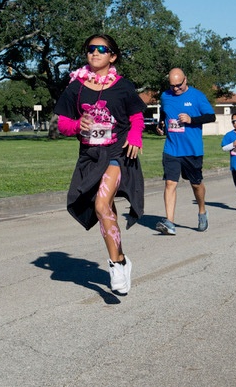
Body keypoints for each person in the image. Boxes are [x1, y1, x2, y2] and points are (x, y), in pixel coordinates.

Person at [54, 34, 145, 295]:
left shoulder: (123, 86)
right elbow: (62, 124)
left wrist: (136, 138)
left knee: (101, 204)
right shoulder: (76, 87)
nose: (95, 53)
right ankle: (123, 258)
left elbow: (137, 117)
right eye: (91, 49)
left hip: (118, 152)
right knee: (107, 211)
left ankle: (115, 265)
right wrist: (76, 125)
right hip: (91, 156)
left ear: (112, 56)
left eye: (102, 49)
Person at [155, 68, 216, 235]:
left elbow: (211, 116)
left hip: (192, 149)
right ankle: (170, 222)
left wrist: (191, 120)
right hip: (172, 148)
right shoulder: (165, 96)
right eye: (172, 85)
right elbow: (164, 113)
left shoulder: (197, 96)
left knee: (196, 184)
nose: (175, 89)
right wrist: (161, 125)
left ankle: (202, 211)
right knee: (170, 183)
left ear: (185, 80)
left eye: (179, 85)